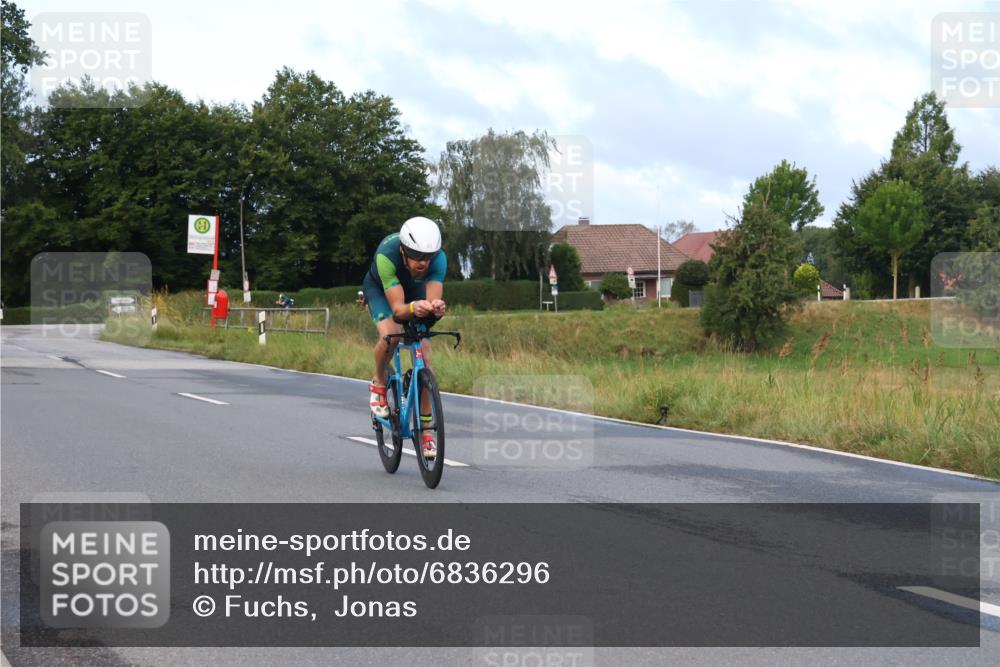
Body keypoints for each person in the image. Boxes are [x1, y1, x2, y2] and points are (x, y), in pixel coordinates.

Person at [363, 216, 447, 459]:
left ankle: (427, 431)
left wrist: (436, 308)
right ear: (403, 250)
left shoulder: (438, 259)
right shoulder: (386, 257)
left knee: (426, 360)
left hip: (413, 291)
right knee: (391, 336)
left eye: (427, 258)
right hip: (381, 290)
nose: (423, 263)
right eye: (417, 257)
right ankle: (379, 382)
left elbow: (432, 300)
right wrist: (412, 309)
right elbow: (399, 310)